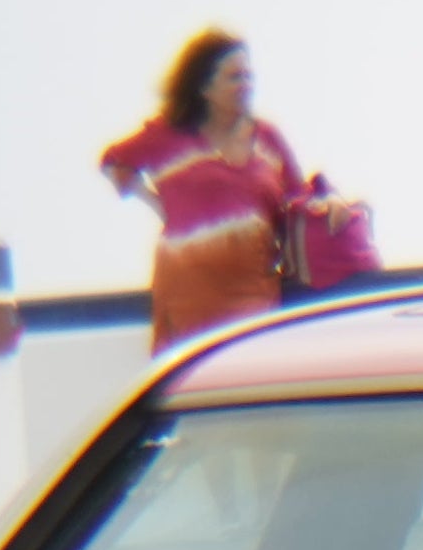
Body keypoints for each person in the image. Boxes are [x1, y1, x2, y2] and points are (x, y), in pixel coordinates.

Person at [100, 26, 321, 344]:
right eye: (235, 78)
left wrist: (328, 209)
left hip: (253, 292)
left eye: (249, 77)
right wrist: (158, 205)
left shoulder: (267, 138)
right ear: (204, 87)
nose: (246, 86)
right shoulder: (168, 137)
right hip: (188, 297)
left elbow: (298, 198)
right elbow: (113, 162)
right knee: (200, 372)